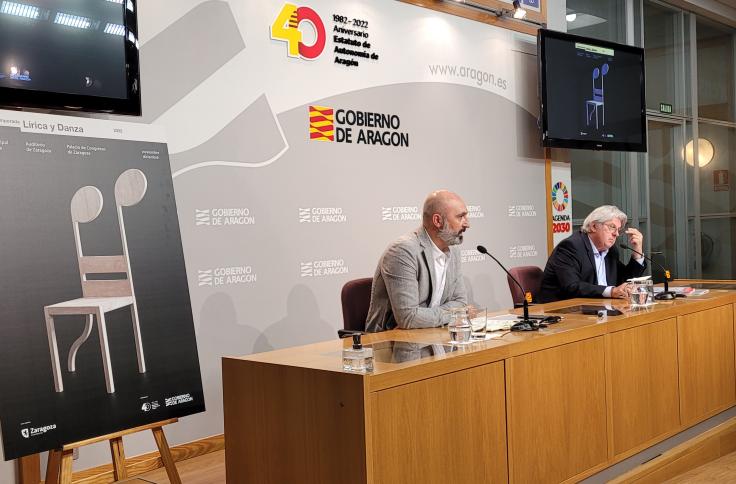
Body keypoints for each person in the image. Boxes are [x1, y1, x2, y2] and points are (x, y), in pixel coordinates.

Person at [365, 190, 470, 332]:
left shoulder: (453, 249)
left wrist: (428, 317)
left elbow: (461, 303)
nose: (467, 224)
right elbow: (408, 317)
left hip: (433, 336)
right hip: (391, 343)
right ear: (437, 221)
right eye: (460, 217)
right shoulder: (403, 251)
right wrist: (454, 314)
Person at [538, 205, 647, 303]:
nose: (616, 234)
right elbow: (572, 287)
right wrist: (611, 292)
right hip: (562, 312)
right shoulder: (570, 247)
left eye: (618, 229)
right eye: (612, 227)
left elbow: (626, 281)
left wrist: (637, 251)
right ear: (594, 226)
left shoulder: (610, 250)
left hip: (599, 308)